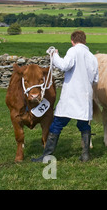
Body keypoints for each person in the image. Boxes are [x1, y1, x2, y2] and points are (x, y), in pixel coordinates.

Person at [32, 30, 99, 162]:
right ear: (85, 40)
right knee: (84, 125)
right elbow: (96, 79)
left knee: (57, 124)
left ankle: (47, 155)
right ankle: (85, 155)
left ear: (72, 41)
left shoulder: (73, 51)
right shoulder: (92, 57)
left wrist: (54, 55)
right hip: (85, 96)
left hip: (71, 95)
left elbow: (64, 65)